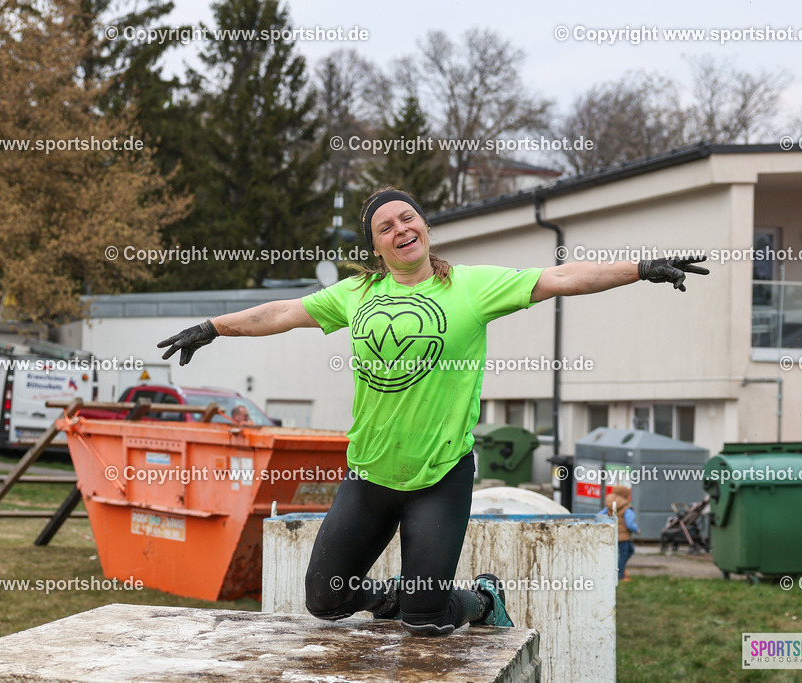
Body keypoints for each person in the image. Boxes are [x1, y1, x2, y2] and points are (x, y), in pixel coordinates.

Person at [158, 186, 707, 636]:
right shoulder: (357, 292)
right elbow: (282, 310)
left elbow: (560, 277)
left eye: (408, 218)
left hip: (439, 476)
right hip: (371, 471)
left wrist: (640, 267)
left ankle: (481, 600)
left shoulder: (472, 287)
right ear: (377, 247)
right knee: (324, 601)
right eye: (386, 227)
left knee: (426, 618)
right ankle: (403, 593)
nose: (401, 229)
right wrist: (214, 327)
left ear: (424, 225)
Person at [600, 485, 639, 581]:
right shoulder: (626, 508)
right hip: (623, 536)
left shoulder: (609, 506)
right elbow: (629, 523)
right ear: (625, 495)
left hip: (613, 534)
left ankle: (619, 569)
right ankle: (620, 573)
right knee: (625, 553)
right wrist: (636, 529)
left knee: (628, 551)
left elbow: (599, 516)